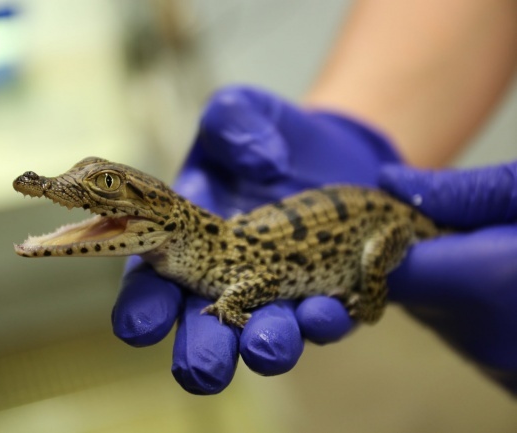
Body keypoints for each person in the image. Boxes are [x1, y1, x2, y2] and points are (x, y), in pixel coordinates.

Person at [113, 0, 517, 395]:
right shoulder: (216, 245)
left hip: (386, 223)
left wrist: (232, 301)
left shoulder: (223, 260)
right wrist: (357, 129)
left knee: (374, 259)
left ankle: (371, 304)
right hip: (343, 210)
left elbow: (267, 279)